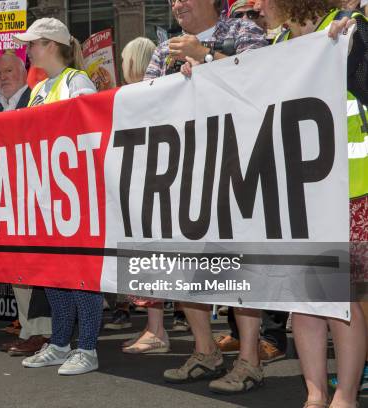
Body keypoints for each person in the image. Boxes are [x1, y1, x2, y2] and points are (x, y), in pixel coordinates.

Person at [143, 0, 269, 394]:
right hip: (183, 166)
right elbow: (144, 97)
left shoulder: (242, 31)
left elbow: (264, 77)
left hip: (234, 159)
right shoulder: (164, 49)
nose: (177, 4)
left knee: (239, 259)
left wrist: (207, 56)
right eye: (172, 0)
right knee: (184, 259)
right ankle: (206, 350)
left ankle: (249, 358)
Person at [254, 1, 368, 406]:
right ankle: (315, 393)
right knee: (305, 297)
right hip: (296, 196)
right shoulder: (280, 43)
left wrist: (349, 51)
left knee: (341, 296)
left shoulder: (351, 31)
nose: (258, 5)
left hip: (349, 189)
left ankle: (346, 395)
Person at [12, 18, 100, 376]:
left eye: (32, 44)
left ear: (50, 45)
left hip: (74, 194)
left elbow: (91, 126)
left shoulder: (76, 81)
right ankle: (61, 343)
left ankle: (88, 349)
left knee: (80, 273)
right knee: (54, 272)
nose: (28, 50)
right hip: (46, 194)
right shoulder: (39, 89)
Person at [0, 53, 54, 356]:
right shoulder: (3, 108)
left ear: (24, 72)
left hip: (35, 200)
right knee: (18, 270)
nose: (2, 78)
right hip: (12, 201)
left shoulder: (35, 101)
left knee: (36, 269)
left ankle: (43, 332)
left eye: (9, 71)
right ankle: (28, 329)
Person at [106, 37, 171, 354]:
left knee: (151, 257)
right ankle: (152, 327)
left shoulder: (150, 96)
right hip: (141, 187)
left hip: (152, 189)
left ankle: (157, 330)